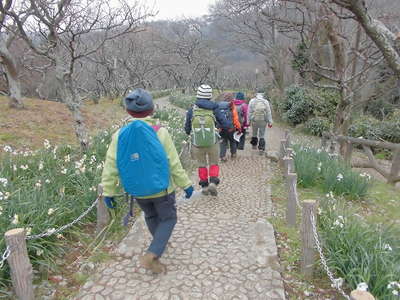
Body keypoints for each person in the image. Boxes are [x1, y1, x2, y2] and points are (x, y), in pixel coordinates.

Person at [101, 88, 194, 274]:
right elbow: (173, 162)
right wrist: (186, 184)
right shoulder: (160, 132)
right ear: (152, 110)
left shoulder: (119, 135)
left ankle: (158, 244)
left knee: (151, 216)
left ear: (128, 111)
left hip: (137, 191)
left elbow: (111, 165)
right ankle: (153, 253)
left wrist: (108, 191)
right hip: (162, 190)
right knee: (169, 218)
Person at [184, 84, 230, 196]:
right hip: (212, 142)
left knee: (202, 164)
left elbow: (187, 129)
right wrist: (219, 127)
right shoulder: (214, 108)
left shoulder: (192, 109)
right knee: (214, 162)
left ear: (198, 95)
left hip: (197, 143)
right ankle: (213, 183)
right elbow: (225, 124)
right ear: (210, 96)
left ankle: (204, 186)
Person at [217, 92, 241, 162]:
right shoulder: (232, 105)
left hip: (221, 128)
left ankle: (222, 156)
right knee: (232, 141)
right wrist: (239, 128)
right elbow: (235, 119)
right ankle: (233, 154)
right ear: (231, 98)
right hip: (231, 128)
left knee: (223, 142)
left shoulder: (218, 105)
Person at [248, 88, 273, 154]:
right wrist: (270, 122)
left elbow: (249, 112)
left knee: (254, 133)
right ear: (263, 94)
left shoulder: (252, 101)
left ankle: (254, 145)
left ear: (256, 94)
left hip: (254, 120)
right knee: (262, 134)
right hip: (263, 120)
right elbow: (268, 113)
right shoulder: (266, 101)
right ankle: (261, 149)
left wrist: (248, 121)